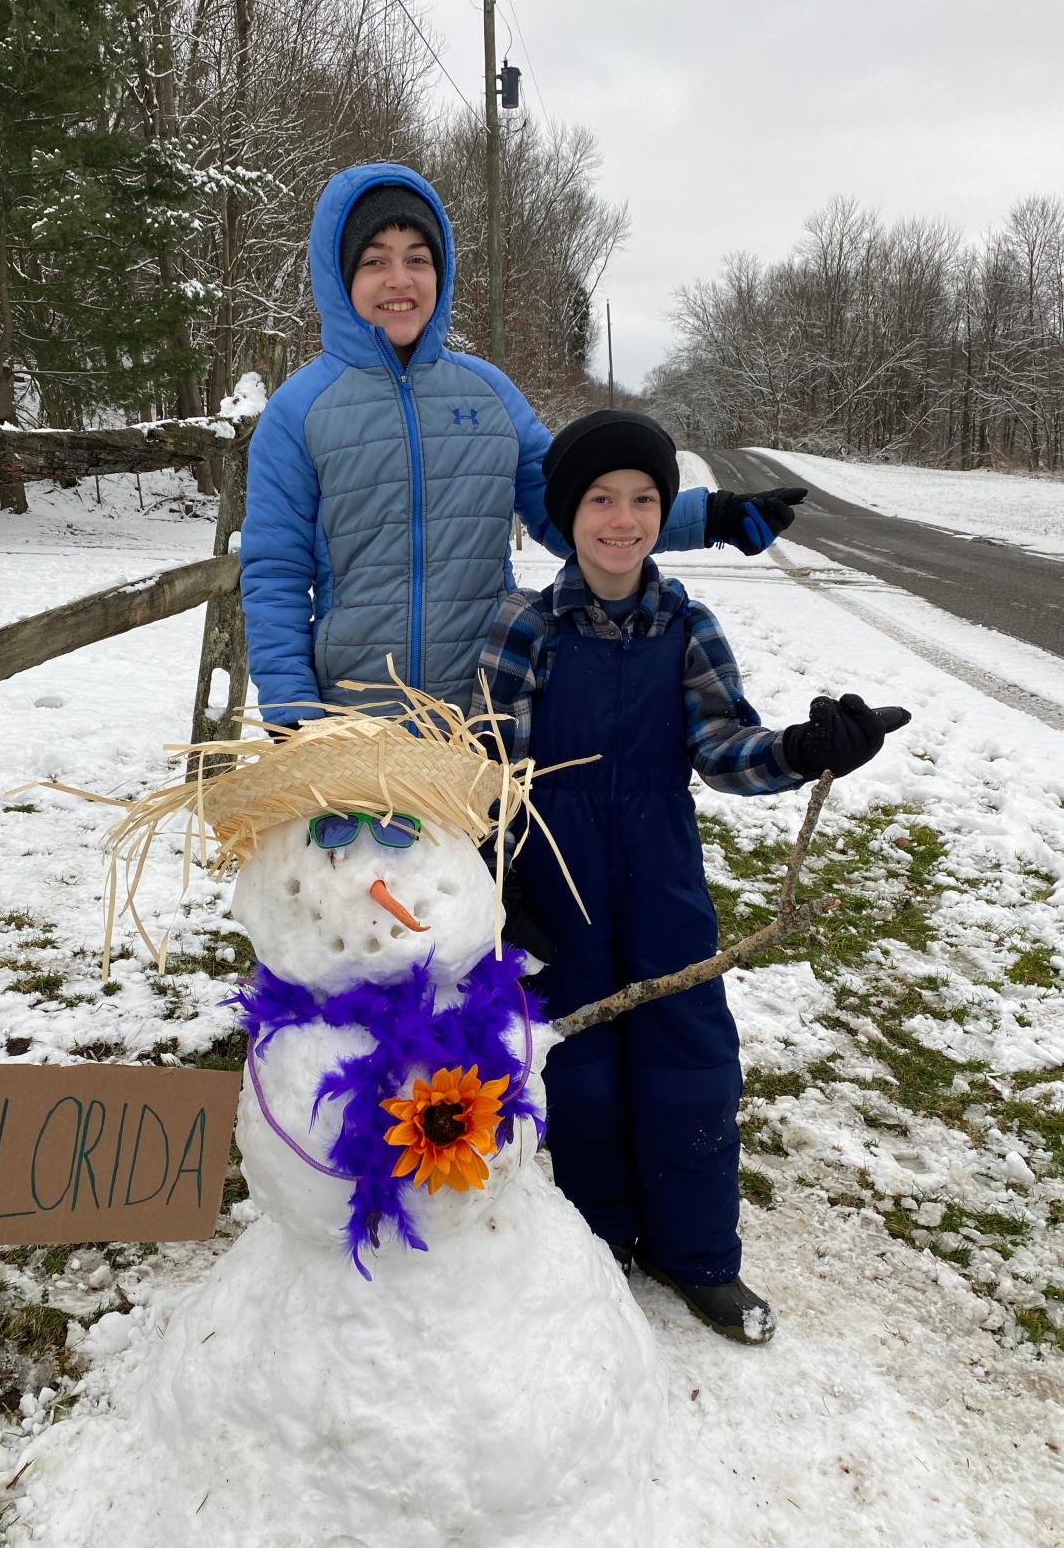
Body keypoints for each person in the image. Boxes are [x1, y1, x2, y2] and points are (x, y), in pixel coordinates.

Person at [473, 409, 909, 1344]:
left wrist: (804, 747)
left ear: (663, 511)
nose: (622, 520)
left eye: (642, 500)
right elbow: (490, 770)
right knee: (577, 1069)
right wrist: (498, 892)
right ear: (565, 514)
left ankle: (699, 1254)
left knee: (690, 1059)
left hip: (665, 869)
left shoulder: (689, 624)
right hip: (559, 882)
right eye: (600, 500)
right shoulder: (524, 626)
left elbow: (723, 747)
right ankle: (597, 1251)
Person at [239, 162, 807, 726]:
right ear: (338, 277)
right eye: (374, 261)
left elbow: (570, 510)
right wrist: (292, 711)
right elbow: (276, 574)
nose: (400, 280)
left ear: (442, 271)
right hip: (351, 724)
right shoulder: (299, 411)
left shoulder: (488, 394)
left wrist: (711, 516)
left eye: (418, 258)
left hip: (488, 713)